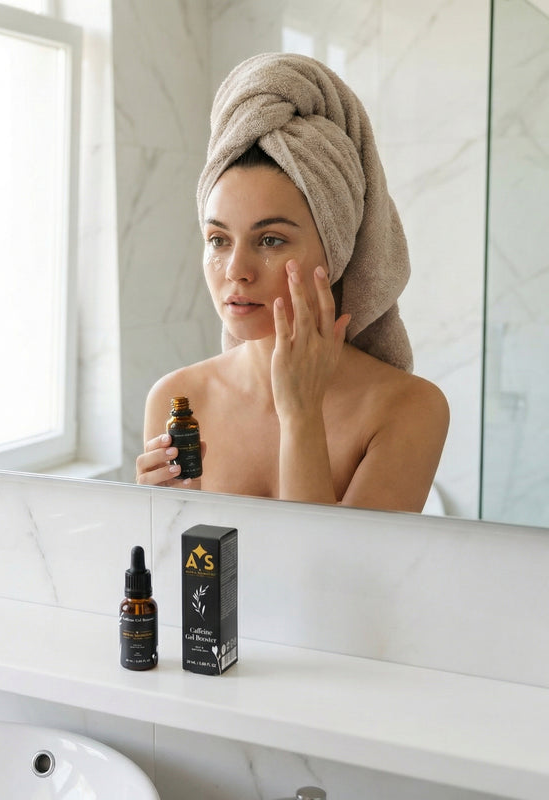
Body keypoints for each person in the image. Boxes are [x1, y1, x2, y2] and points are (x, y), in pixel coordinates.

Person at [137, 53, 449, 513]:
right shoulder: (177, 399)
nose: (236, 270)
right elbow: (176, 577)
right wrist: (158, 518)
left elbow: (337, 578)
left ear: (336, 248)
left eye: (270, 239)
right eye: (218, 239)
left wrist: (301, 414)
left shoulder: (408, 408)